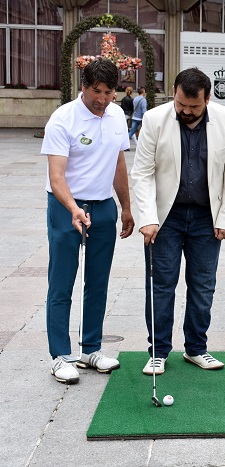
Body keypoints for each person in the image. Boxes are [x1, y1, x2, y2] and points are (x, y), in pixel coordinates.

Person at [131, 68, 225, 375]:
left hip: (207, 219)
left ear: (207, 99)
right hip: (165, 219)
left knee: (203, 285)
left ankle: (196, 348)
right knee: (160, 285)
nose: (185, 111)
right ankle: (157, 351)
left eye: (194, 107)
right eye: (181, 104)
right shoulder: (155, 119)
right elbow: (141, 172)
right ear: (174, 92)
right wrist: (147, 218)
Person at [41, 58, 134, 384]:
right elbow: (56, 176)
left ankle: (91, 349)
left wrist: (125, 206)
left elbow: (118, 162)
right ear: (84, 86)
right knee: (62, 281)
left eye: (109, 92)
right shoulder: (63, 119)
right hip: (67, 206)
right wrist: (72, 208)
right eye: (97, 91)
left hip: (103, 206)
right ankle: (60, 356)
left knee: (98, 281)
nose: (103, 99)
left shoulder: (117, 117)